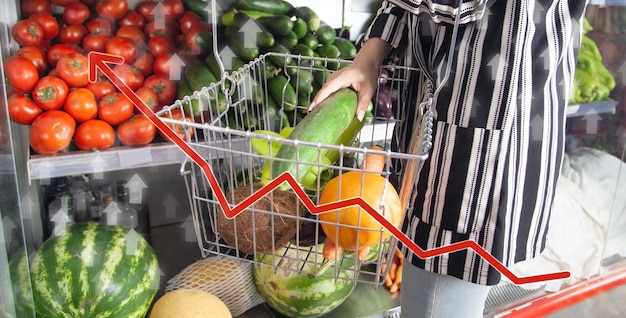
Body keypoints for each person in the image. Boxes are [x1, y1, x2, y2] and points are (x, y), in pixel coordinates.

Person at [310, 0, 589, 317]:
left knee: (440, 293)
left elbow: (457, 8)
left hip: (479, 143)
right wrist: (369, 56)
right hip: (433, 121)